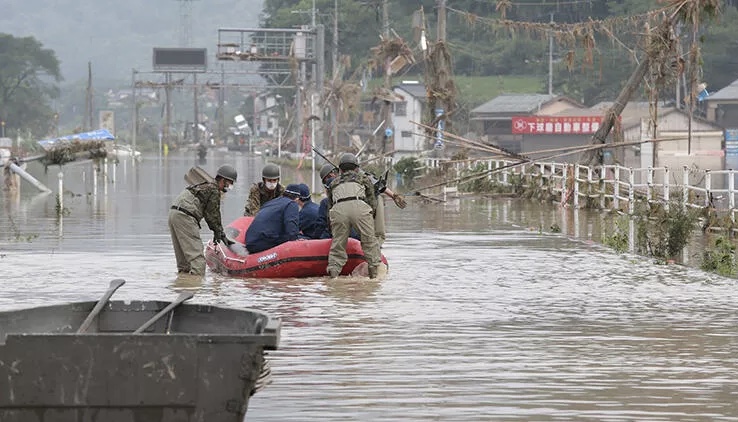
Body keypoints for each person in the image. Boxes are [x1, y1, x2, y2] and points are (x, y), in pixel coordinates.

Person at [168, 164, 237, 275]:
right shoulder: (214, 190)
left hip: (174, 214)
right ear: (223, 180)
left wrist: (217, 232)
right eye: (230, 182)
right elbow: (213, 215)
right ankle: (197, 287)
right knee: (198, 263)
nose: (231, 186)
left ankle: (183, 286)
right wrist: (220, 234)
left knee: (184, 265)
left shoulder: (204, 186)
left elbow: (210, 215)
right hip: (186, 217)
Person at [326, 153, 381, 279]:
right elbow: (372, 201)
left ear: (340, 170)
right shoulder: (363, 178)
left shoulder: (333, 183)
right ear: (357, 168)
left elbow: (329, 207)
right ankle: (374, 276)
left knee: (338, 245)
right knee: (369, 242)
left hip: (338, 209)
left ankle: (333, 275)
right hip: (359, 206)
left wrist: (331, 226)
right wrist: (370, 216)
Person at [245, 185, 300, 253]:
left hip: (250, 241)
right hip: (262, 243)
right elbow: (292, 231)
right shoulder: (291, 204)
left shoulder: (272, 202)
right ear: (297, 199)